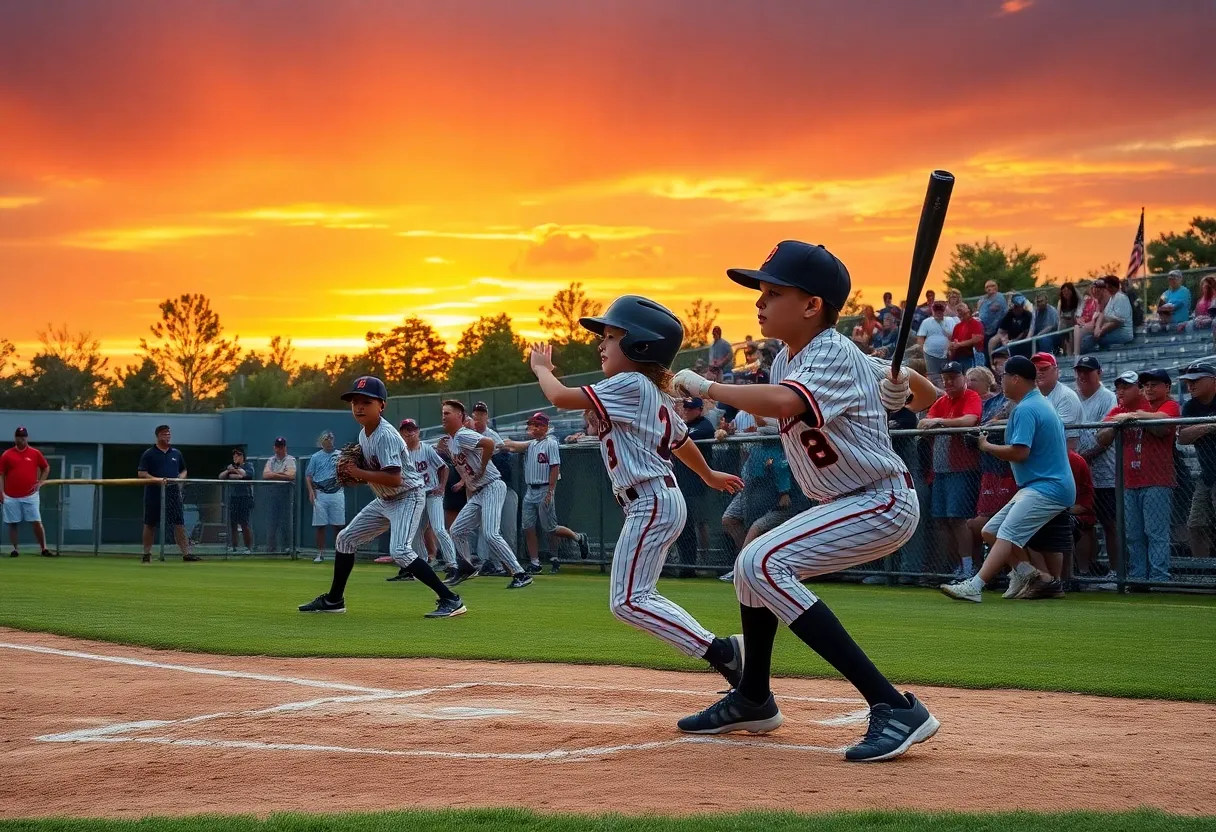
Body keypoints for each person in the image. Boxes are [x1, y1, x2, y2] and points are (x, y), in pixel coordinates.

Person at [671, 240, 941, 762]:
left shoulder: (833, 353)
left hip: (877, 499)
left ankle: (894, 706)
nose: (759, 302)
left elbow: (787, 403)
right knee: (753, 570)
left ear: (812, 304)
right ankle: (753, 696)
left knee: (760, 559)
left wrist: (708, 386)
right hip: (842, 501)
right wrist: (902, 383)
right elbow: (925, 395)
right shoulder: (797, 358)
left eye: (773, 293)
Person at [528, 296, 746, 689]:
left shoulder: (629, 383)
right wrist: (710, 473)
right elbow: (680, 442)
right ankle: (725, 656)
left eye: (611, 336)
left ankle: (723, 653)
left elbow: (559, 397)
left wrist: (542, 369)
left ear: (640, 346)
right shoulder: (652, 391)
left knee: (628, 601)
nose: (602, 344)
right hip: (655, 499)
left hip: (650, 500)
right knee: (634, 597)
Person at [298, 376, 466, 618]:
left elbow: (395, 478)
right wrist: (357, 476)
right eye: (355, 402)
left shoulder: (386, 434)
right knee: (345, 539)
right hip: (385, 499)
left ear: (382, 406)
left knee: (400, 550)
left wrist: (358, 473)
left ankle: (451, 599)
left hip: (408, 496)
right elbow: (377, 475)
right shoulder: (364, 435)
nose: (359, 407)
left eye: (366, 402)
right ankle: (334, 600)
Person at [940, 355, 1075, 602]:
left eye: (1003, 377)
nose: (1000, 382)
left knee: (1007, 533)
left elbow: (1020, 452)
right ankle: (1036, 577)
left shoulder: (1026, 408)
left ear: (1015, 379)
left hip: (1047, 486)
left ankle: (975, 585)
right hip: (1039, 485)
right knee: (991, 531)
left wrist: (985, 446)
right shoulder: (1032, 404)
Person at [438, 400, 533, 588]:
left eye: (447, 413)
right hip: (480, 491)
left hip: (492, 486)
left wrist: (482, 467)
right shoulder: (453, 440)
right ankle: (466, 567)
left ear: (460, 417)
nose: (443, 416)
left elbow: (489, 443)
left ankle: (520, 573)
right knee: (457, 531)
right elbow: (466, 466)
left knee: (490, 533)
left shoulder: (463, 434)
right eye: (442, 413)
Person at [1096, 369, 1179, 584]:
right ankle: (1139, 577)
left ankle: (1159, 579)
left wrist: (1130, 417)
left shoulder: (1164, 405)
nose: (1120, 392)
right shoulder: (1119, 410)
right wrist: (1118, 422)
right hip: (1129, 481)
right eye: (1119, 388)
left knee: (1155, 533)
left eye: (1126, 387)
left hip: (1157, 480)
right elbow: (1101, 437)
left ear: (1137, 390)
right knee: (1133, 534)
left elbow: (1162, 427)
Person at [500, 412, 591, 574]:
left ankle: (577, 538)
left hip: (543, 488)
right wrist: (499, 444)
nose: (533, 428)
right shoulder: (532, 444)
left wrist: (550, 491)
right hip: (530, 489)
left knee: (550, 528)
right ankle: (535, 563)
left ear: (545, 427)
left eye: (537, 425)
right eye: (531, 425)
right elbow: (512, 445)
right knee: (528, 527)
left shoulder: (551, 443)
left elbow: (555, 467)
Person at [919, 362, 982, 578]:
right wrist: (937, 422)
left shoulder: (971, 396)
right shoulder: (942, 401)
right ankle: (957, 567)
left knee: (958, 519)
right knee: (941, 520)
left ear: (963, 378)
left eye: (953, 377)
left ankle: (968, 567)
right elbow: (923, 424)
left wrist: (939, 422)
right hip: (941, 470)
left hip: (962, 468)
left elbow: (970, 420)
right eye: (945, 378)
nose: (948, 382)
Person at [393, 419, 459, 581]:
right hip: (414, 497)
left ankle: (453, 565)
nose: (409, 432)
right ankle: (420, 566)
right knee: (414, 533)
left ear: (418, 431)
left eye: (412, 429)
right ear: (401, 433)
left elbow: (444, 467)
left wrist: (442, 487)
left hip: (432, 494)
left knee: (439, 529)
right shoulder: (400, 453)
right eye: (406, 430)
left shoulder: (427, 449)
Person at [1072, 356, 1119, 580]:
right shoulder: (1073, 398)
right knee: (1084, 523)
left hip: (1105, 473)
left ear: (1098, 372)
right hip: (1081, 474)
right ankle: (1087, 569)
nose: (1082, 376)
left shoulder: (1107, 398)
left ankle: (1116, 571)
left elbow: (1105, 438)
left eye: (1087, 371)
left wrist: (1080, 458)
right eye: (1079, 371)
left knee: (1111, 524)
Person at [136, 425, 198, 563]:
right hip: (154, 493)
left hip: (173, 493)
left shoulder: (176, 453)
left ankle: (186, 554)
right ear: (158, 436)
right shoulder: (149, 454)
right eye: (164, 434)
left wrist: (179, 479)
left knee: (179, 523)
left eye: (169, 434)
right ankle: (147, 554)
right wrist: (157, 480)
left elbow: (184, 470)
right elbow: (141, 473)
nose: (167, 437)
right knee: (150, 523)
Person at [673, 396, 716, 576]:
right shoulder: (683, 425)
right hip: (680, 481)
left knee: (696, 523)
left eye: (691, 409)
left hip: (696, 484)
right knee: (683, 525)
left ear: (699, 410)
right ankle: (686, 564)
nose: (687, 411)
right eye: (686, 408)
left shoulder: (704, 425)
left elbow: (681, 439)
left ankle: (694, 565)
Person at [1179, 364, 1216, 559]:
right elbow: (1183, 437)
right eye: (1188, 382)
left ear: (1212, 380)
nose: (1190, 386)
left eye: (1195, 380)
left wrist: (1198, 428)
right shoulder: (1190, 405)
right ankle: (1203, 572)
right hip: (1207, 474)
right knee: (1195, 524)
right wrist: (1210, 425)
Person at [0, 426, 52, 558]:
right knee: (12, 523)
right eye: (19, 436)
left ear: (26, 437)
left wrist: (40, 482)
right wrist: (1, 492)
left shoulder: (35, 453)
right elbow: (1, 474)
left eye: (23, 436)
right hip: (10, 495)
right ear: (15, 438)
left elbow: (45, 467)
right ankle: (14, 549)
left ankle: (44, 548)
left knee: (36, 521)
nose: (21, 439)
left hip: (30, 494)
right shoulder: (7, 455)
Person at [305, 431, 344, 564]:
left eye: (331, 438)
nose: (329, 441)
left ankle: (341, 553)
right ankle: (320, 553)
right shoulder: (315, 457)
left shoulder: (340, 455)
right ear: (322, 441)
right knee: (320, 525)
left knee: (338, 525)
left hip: (337, 492)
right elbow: (309, 475)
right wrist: (311, 491)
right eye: (326, 439)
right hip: (320, 494)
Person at [1031, 353, 1081, 450]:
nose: (1038, 372)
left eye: (1044, 369)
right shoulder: (1035, 396)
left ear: (1056, 371)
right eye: (1034, 370)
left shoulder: (1066, 396)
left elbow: (1070, 442)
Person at [1081, 275, 1134, 352]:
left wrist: (1101, 331)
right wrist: (1097, 328)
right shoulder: (1112, 298)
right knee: (1085, 337)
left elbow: (1117, 322)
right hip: (1113, 331)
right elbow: (1103, 315)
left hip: (1123, 333)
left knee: (1087, 341)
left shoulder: (1120, 298)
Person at [218, 447, 255, 554]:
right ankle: (233, 546)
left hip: (244, 497)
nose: (235, 457)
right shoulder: (230, 467)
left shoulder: (248, 465)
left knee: (244, 523)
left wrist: (236, 473)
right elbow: (221, 476)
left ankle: (248, 548)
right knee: (233, 523)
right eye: (234, 455)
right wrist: (230, 471)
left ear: (243, 456)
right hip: (233, 497)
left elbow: (246, 475)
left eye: (238, 455)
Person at [262, 437, 297, 554]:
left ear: (285, 448)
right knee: (271, 522)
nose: (279, 449)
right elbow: (265, 475)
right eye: (277, 447)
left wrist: (274, 474)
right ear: (274, 447)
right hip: (272, 495)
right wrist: (282, 473)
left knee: (285, 521)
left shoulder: (290, 460)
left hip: (286, 495)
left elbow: (291, 475)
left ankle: (286, 548)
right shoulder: (271, 460)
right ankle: (271, 549)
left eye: (281, 447)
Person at [916, 301, 957, 383]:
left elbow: (954, 336)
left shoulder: (950, 321)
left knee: (947, 376)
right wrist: (922, 351)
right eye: (936, 311)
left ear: (943, 311)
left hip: (947, 354)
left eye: (940, 311)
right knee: (934, 377)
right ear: (932, 311)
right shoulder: (926, 322)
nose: (938, 313)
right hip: (930, 354)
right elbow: (920, 338)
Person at [989, 294, 1033, 359]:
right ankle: (992, 363)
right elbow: (1001, 330)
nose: (1017, 309)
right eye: (1015, 306)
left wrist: (1012, 341)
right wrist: (1003, 338)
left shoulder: (1027, 315)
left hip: (1023, 340)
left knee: (1012, 346)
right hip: (1009, 338)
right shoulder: (1009, 314)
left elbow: (1024, 333)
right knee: (992, 341)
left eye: (1019, 306)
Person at [948, 302, 984, 371]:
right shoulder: (957, 326)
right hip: (957, 357)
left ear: (968, 310)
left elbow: (977, 339)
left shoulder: (976, 323)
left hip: (970, 356)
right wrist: (951, 346)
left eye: (961, 307)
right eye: (958, 309)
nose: (959, 309)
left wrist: (960, 344)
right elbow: (954, 341)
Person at [977, 280, 1008, 358]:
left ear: (996, 287)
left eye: (992, 286)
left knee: (995, 355)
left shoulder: (999, 297)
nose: (990, 288)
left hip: (997, 331)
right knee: (985, 354)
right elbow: (979, 312)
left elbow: (995, 308)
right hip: (984, 331)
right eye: (987, 287)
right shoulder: (983, 299)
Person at [1057, 282, 1080, 356]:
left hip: (1075, 323)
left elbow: (1077, 315)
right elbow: (1059, 316)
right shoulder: (1061, 302)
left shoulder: (1077, 301)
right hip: (1064, 324)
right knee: (1063, 329)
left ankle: (1072, 352)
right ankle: (1063, 352)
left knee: (1072, 332)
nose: (1065, 293)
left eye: (1067, 291)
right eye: (1063, 291)